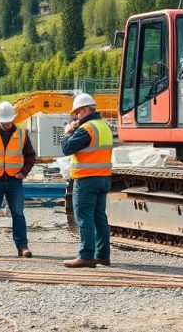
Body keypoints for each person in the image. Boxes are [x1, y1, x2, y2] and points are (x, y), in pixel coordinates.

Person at [0, 101, 36, 258]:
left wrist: (24, 172)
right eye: (4, 121)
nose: (7, 124)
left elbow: (30, 155)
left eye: (9, 121)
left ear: (13, 119)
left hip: (14, 181)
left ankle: (22, 247)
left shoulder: (22, 134)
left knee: (18, 214)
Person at [60, 93, 113, 268]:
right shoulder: (104, 126)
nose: (75, 116)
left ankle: (86, 255)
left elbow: (67, 148)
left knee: (84, 217)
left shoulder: (87, 128)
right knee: (99, 218)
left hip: (86, 180)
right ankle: (103, 255)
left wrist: (68, 132)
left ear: (83, 110)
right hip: (103, 178)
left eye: (76, 113)